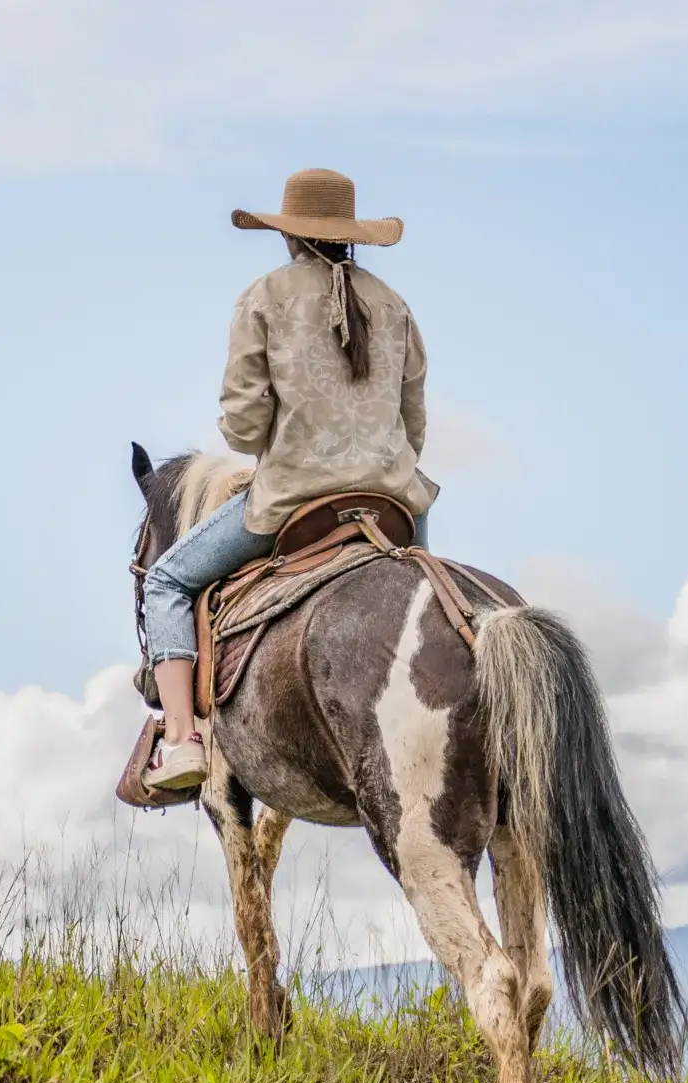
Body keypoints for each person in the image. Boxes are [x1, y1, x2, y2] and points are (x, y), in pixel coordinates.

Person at [141, 168, 437, 790]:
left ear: (288, 235)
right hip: (394, 505)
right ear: (351, 237)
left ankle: (181, 741)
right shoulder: (395, 305)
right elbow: (413, 426)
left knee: (166, 580)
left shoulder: (264, 297)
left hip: (295, 501)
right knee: (431, 602)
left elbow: (245, 429)